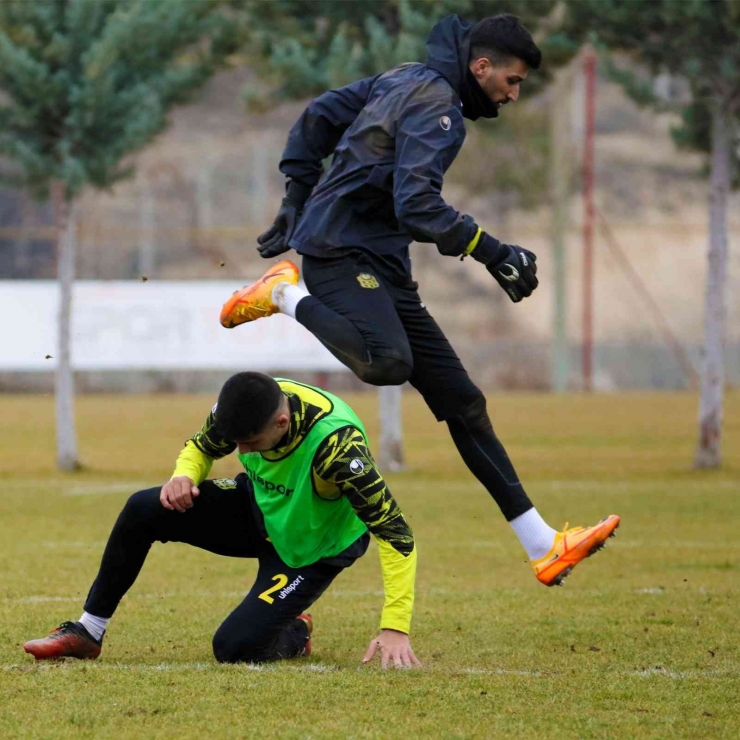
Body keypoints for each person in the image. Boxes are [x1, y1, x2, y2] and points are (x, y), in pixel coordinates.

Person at [219, 13, 620, 584]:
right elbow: (418, 206)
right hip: (339, 254)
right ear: (481, 67)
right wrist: (492, 249)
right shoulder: (441, 112)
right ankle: (281, 295)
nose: (513, 94)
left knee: (464, 403)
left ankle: (543, 544)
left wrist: (295, 194)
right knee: (388, 363)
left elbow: (319, 115)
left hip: (378, 261)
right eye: (513, 80)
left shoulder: (403, 76)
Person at [24, 373, 420, 669]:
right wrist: (184, 475)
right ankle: (88, 631)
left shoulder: (338, 448)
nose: (241, 450)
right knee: (143, 508)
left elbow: (397, 534)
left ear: (281, 424)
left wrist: (395, 627)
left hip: (313, 548)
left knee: (234, 649)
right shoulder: (241, 405)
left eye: (249, 442)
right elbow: (200, 447)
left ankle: (294, 630)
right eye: (235, 442)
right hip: (257, 508)